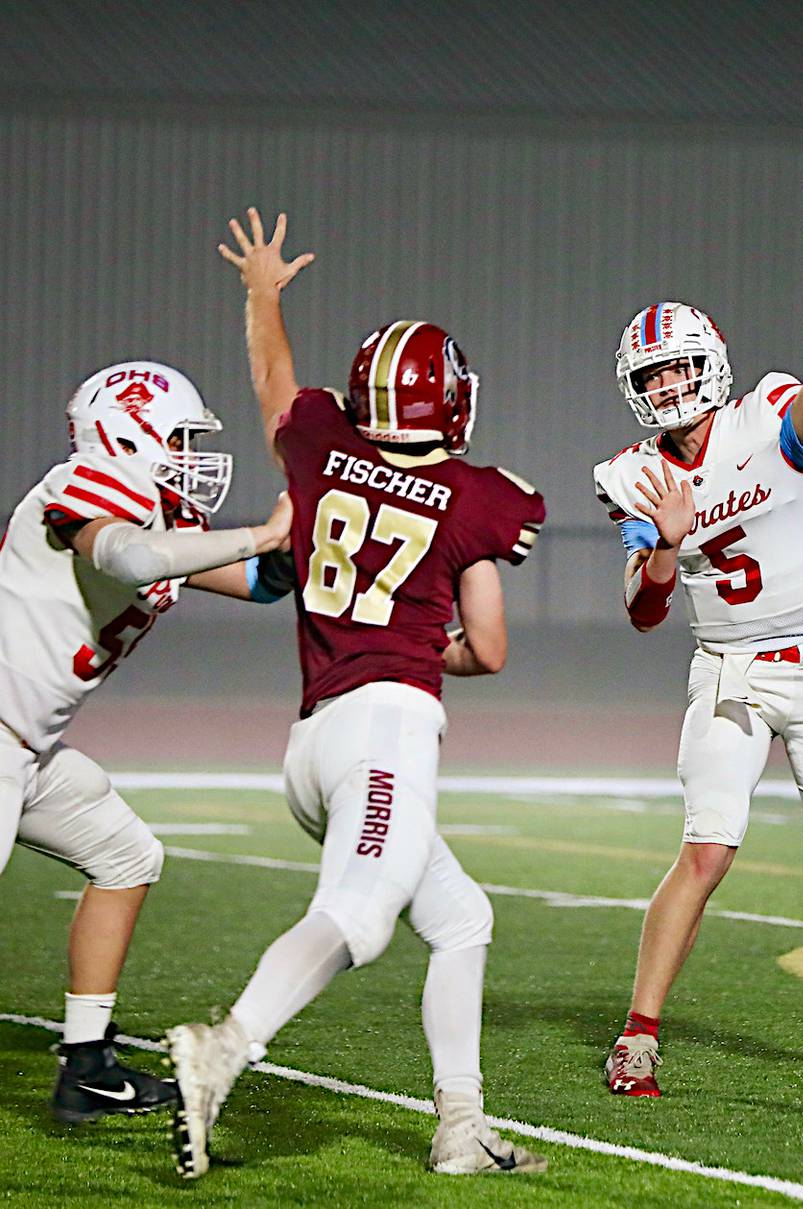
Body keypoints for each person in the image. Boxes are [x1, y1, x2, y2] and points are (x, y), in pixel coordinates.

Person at [165, 210, 547, 1179]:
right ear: (455, 407)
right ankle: (225, 1048)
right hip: (388, 729)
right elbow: (490, 649)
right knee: (364, 916)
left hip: (314, 743)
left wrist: (262, 293)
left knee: (460, 918)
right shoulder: (480, 498)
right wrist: (428, 642)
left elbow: (273, 383)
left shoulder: (321, 441)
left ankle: (460, 1127)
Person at [593, 199, 803, 1096]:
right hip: (726, 671)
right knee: (706, 847)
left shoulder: (767, 418)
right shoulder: (633, 474)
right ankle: (638, 1036)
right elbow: (643, 612)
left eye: (679, 373)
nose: (668, 391)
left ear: (712, 367)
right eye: (652, 379)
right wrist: (663, 540)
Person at [0, 359, 294, 1122]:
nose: (195, 456)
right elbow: (129, 557)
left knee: (127, 855)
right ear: (128, 434)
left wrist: (306, 520)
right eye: (182, 437)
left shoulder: (165, 515)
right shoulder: (86, 483)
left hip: (25, 748)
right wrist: (261, 530)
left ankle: (88, 1063)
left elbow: (263, 582)